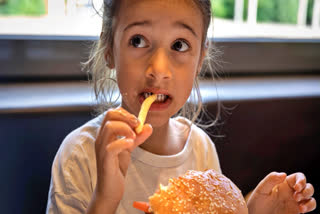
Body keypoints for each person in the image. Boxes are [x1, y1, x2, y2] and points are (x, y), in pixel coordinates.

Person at [46, 0, 317, 214]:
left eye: (179, 44)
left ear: (200, 58)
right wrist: (104, 200)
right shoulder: (78, 156)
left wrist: (248, 211)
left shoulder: (201, 150)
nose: (159, 70)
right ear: (109, 48)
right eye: (138, 40)